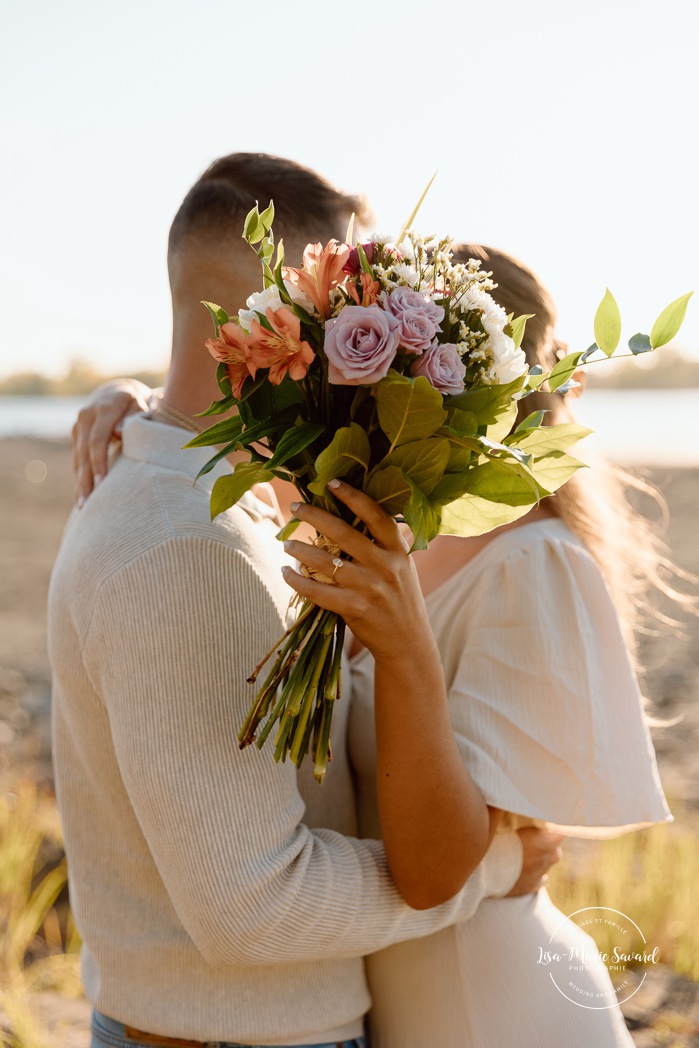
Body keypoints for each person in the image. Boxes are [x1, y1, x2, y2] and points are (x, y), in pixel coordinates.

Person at [50, 155, 558, 1048]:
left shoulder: (189, 487)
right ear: (287, 314)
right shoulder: (187, 548)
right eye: (349, 295)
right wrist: (492, 866)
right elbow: (255, 910)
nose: (365, 325)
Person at [282, 245, 673, 1047]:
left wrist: (402, 651)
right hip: (397, 1009)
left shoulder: (531, 562)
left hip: (492, 1009)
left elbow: (430, 875)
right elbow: (236, 452)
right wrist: (127, 401)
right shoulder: (387, 531)